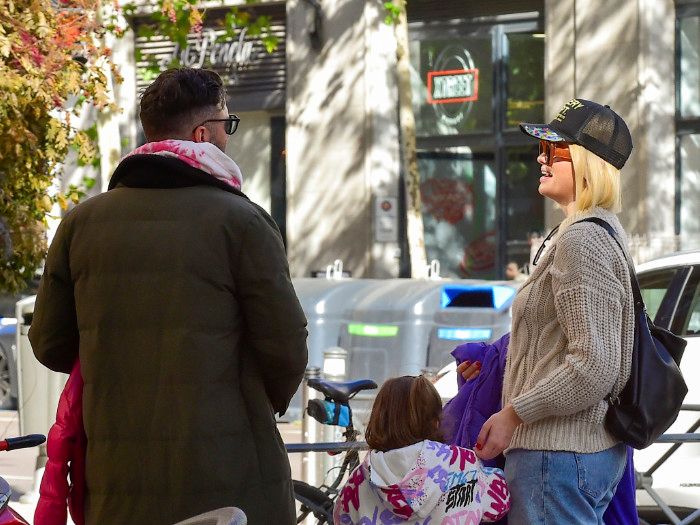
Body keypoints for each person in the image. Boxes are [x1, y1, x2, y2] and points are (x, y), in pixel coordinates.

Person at [28, 67, 308, 524]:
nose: (229, 136)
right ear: (204, 133)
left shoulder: (81, 224)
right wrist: (246, 404)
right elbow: (287, 346)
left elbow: (50, 343)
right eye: (227, 124)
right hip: (229, 482)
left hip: (116, 483)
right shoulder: (241, 222)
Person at [470, 99, 635, 524]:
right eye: (542, 148)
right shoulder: (588, 233)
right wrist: (495, 361)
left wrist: (513, 414)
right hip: (566, 456)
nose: (541, 157)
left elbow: (594, 365)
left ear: (587, 162)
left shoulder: (582, 241)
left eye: (556, 149)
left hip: (555, 457)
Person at [333, 375, 510, 524]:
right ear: (436, 422)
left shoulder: (359, 480)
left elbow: (341, 518)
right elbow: (499, 504)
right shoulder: (463, 463)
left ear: (379, 420)